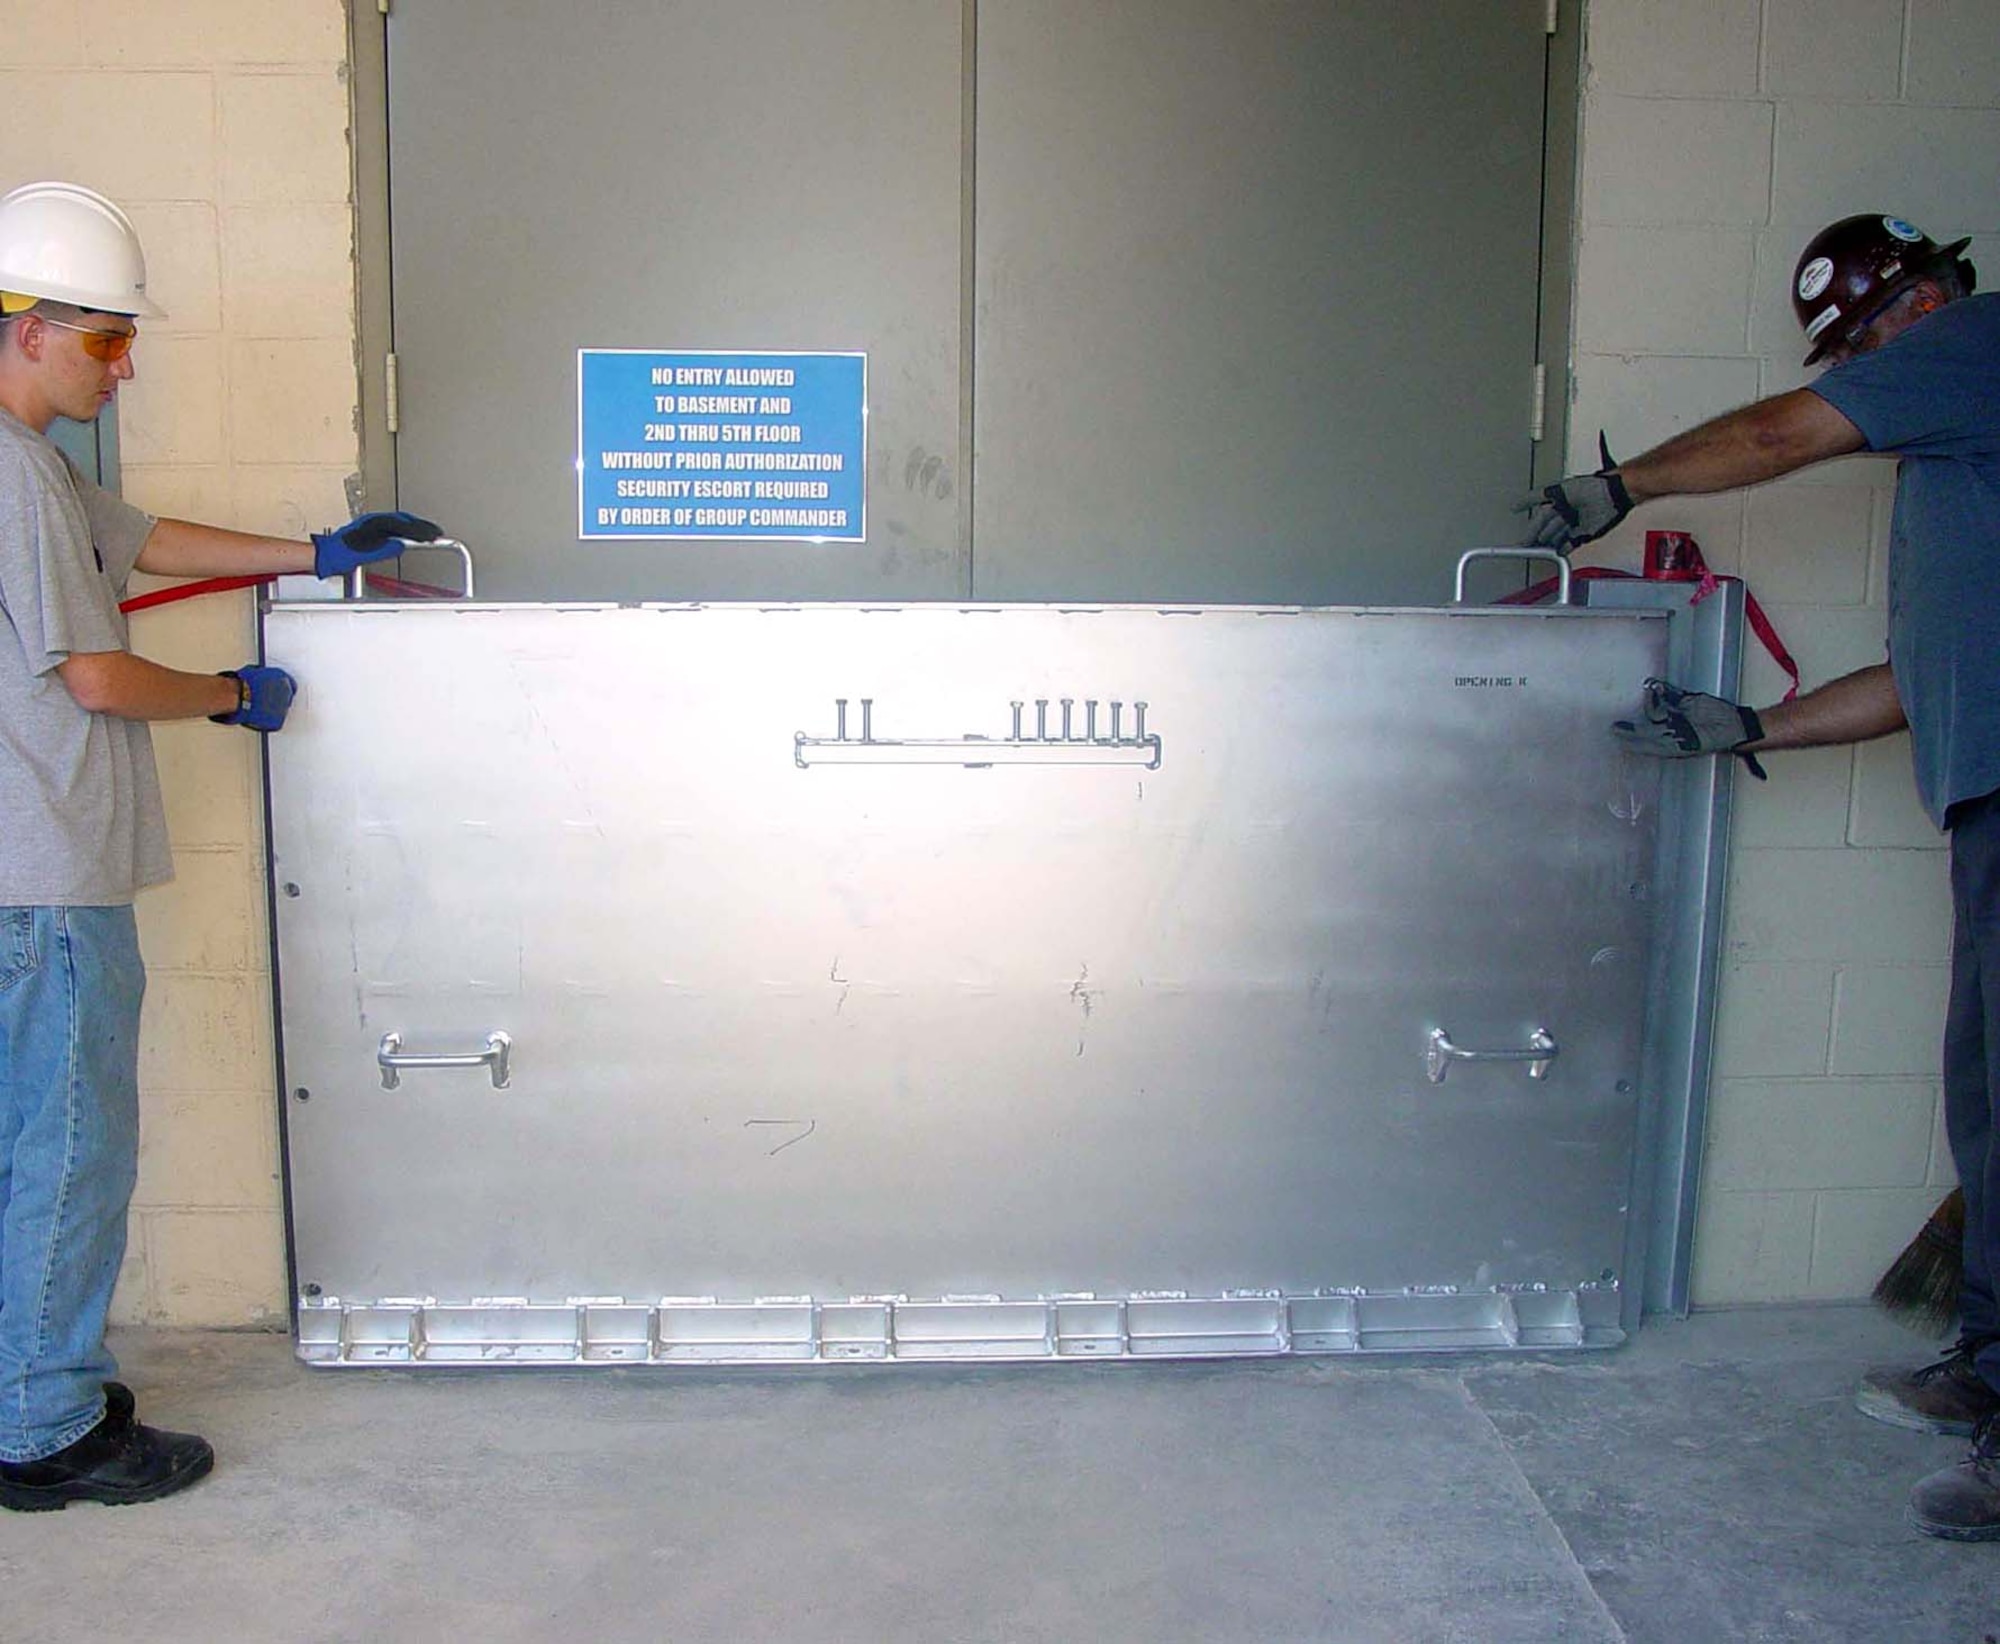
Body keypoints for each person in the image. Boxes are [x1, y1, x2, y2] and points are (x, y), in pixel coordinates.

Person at [1520, 211, 1999, 1543]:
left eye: (1868, 340)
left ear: (1921, 300)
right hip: (1985, 808)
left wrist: (1628, 487)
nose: (1871, 368)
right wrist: (1757, 729)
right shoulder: (1956, 464)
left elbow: (1788, 435)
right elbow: (1925, 680)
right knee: (1987, 1103)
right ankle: (1989, 1372)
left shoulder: (1977, 342)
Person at [0, 180, 439, 1511]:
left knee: (33, 1139)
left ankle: (31, 1370)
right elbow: (94, 676)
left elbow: (136, 540)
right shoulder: (14, 475)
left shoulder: (37, 473)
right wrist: (225, 696)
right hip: (45, 880)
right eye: (103, 339)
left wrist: (314, 552)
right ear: (22, 325)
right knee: (72, 1146)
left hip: (25, 876)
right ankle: (44, 1427)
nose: (123, 365)